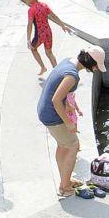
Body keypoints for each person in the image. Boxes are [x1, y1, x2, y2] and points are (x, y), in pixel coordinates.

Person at [38, 49, 99, 198]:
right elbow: (56, 100)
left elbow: (57, 92)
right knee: (73, 145)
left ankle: (65, 179)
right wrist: (68, 122)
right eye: (97, 66)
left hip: (43, 110)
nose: (97, 69)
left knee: (63, 145)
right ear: (91, 63)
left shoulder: (68, 61)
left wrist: (68, 105)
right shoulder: (72, 76)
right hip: (53, 115)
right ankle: (64, 187)